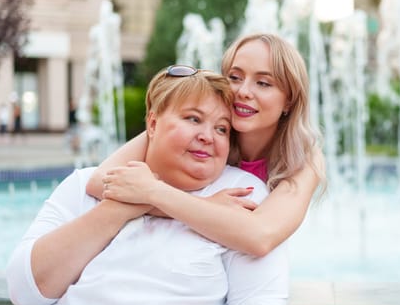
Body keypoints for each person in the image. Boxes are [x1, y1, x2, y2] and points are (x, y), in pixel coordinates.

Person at [6, 66, 288, 305]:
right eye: (193, 118)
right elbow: (24, 291)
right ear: (152, 124)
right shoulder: (85, 185)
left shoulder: (240, 193)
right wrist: (122, 206)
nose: (207, 136)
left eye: (222, 128)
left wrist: (159, 196)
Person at [87, 33, 326, 257]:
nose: (243, 91)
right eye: (235, 77)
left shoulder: (303, 157)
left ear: (289, 101)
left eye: (263, 83)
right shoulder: (202, 133)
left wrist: (152, 192)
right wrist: (202, 207)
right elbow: (101, 181)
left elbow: (260, 237)